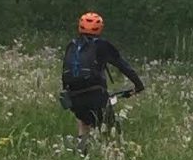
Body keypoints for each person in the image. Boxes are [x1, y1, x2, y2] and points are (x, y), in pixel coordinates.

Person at [59, 10, 143, 138]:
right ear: (100, 28)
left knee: (84, 123)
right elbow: (123, 66)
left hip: (73, 96)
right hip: (96, 95)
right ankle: (108, 152)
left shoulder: (72, 45)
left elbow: (66, 71)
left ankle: (82, 152)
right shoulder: (102, 45)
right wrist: (138, 85)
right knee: (110, 130)